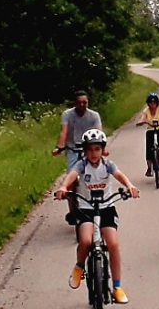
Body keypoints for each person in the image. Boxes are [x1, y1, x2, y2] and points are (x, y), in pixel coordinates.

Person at [55, 129, 140, 304]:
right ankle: (79, 266)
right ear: (85, 151)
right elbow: (71, 176)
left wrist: (130, 186)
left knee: (114, 243)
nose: (93, 153)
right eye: (90, 150)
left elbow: (119, 175)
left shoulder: (108, 165)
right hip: (86, 209)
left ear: (102, 150)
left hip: (106, 208)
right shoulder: (81, 165)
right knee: (86, 241)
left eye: (97, 149)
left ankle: (117, 287)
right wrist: (64, 188)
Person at [52, 90, 105, 223]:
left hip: (88, 149)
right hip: (72, 149)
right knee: (71, 180)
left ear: (88, 103)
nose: (82, 105)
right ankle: (72, 211)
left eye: (85, 102)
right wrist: (60, 147)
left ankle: (95, 206)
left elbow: (99, 133)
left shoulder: (94, 116)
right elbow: (64, 131)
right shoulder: (67, 115)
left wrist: (102, 150)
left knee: (95, 175)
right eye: (79, 102)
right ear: (74, 103)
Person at [135, 92, 159, 176]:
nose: (152, 105)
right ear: (148, 103)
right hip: (151, 129)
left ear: (157, 103)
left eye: (154, 103)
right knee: (148, 148)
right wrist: (141, 122)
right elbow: (143, 117)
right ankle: (149, 167)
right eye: (150, 103)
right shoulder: (146, 110)